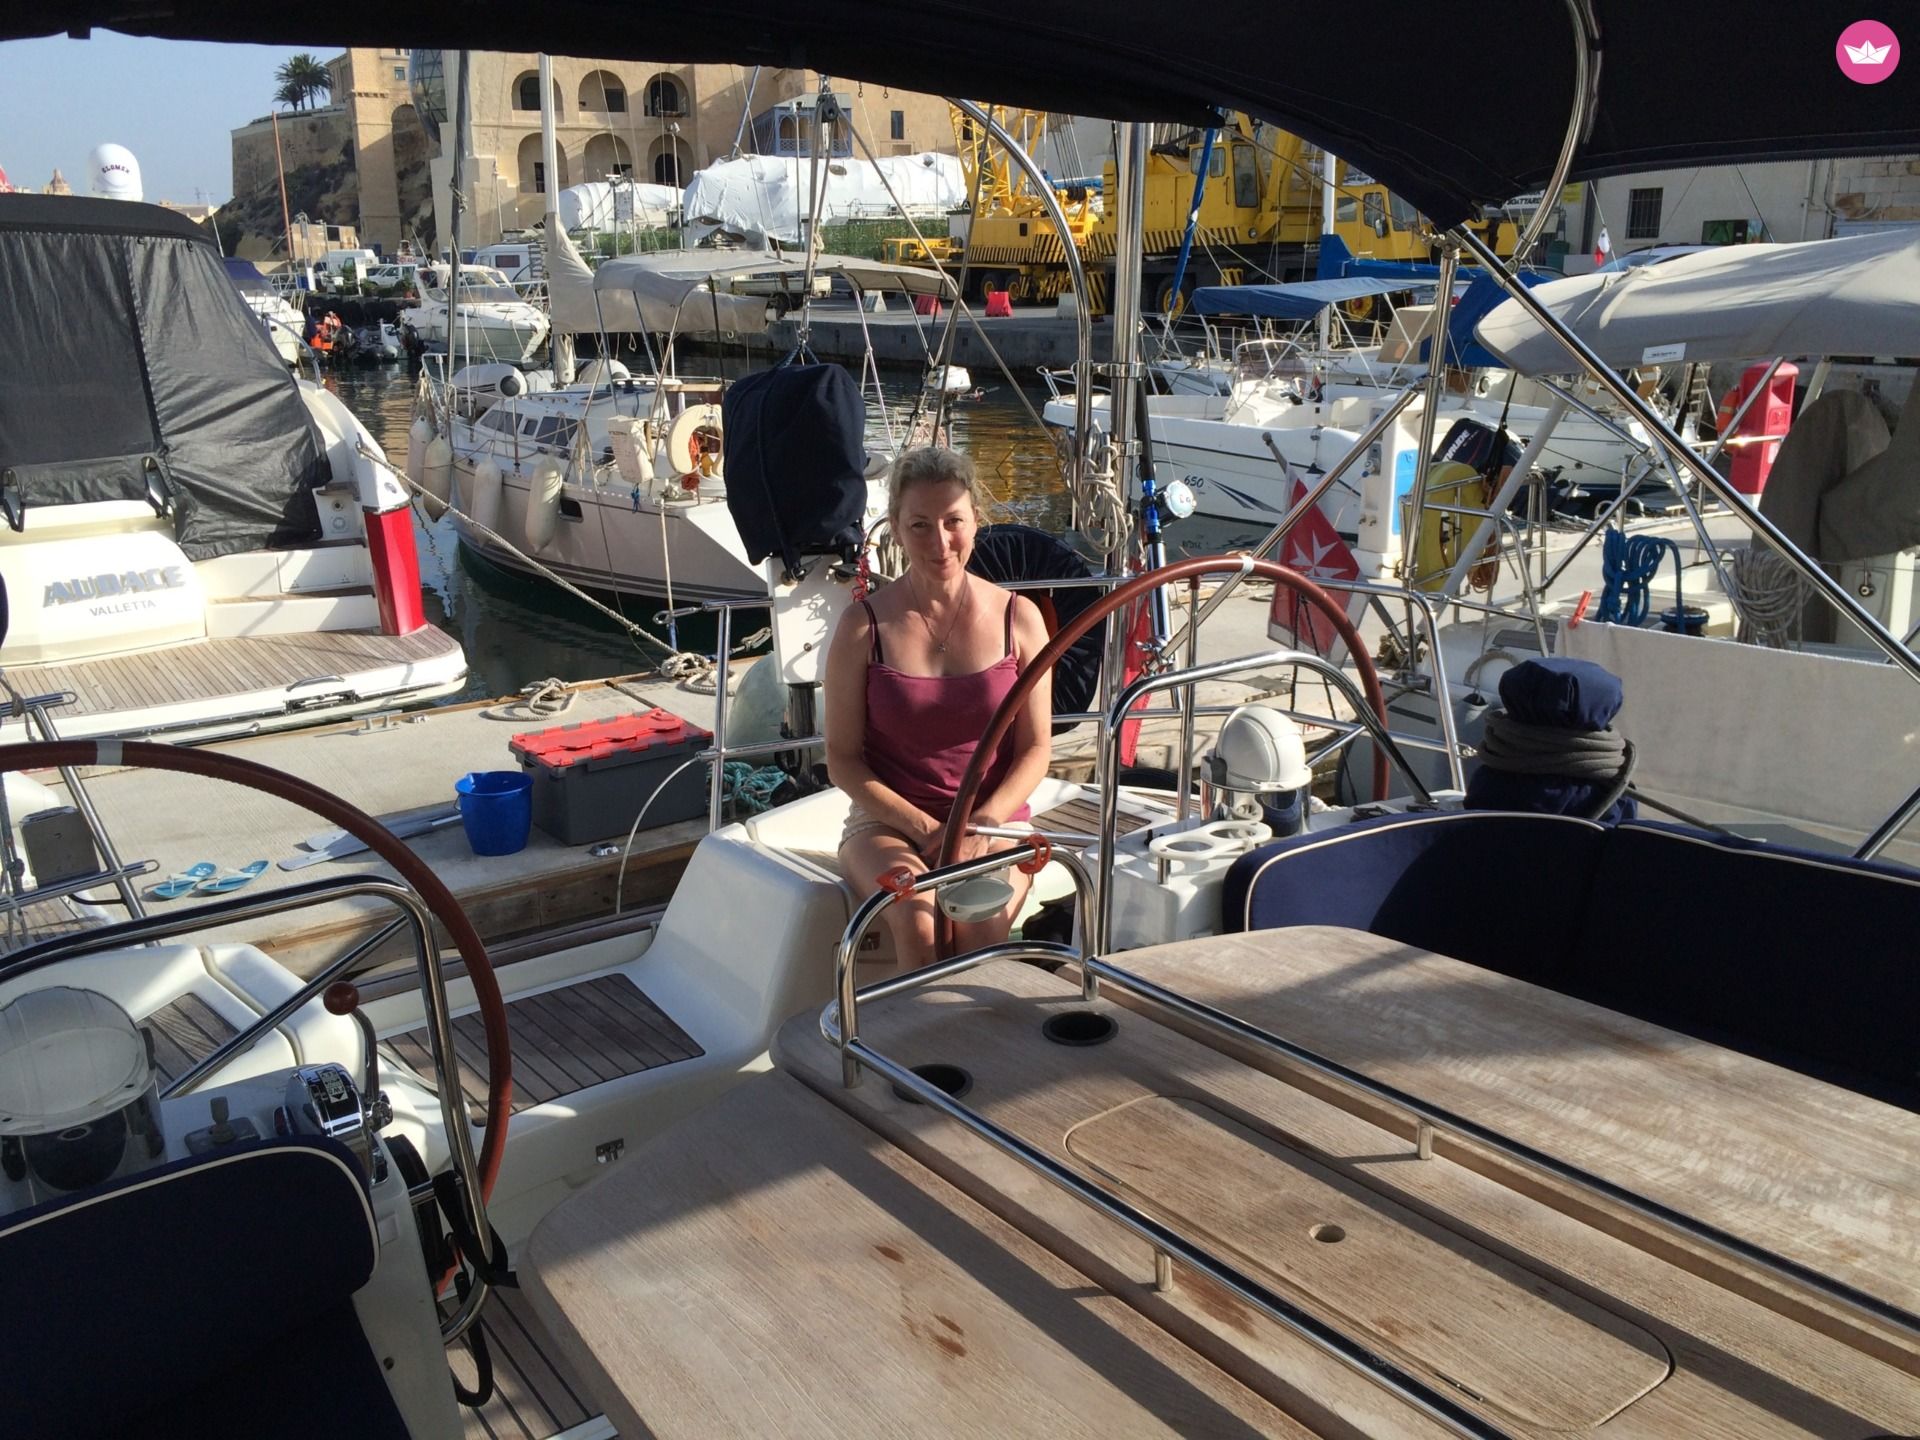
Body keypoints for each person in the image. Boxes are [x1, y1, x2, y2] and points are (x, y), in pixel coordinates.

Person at [826, 447, 1052, 972]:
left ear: (976, 521)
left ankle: (980, 1048)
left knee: (980, 921)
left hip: (994, 822)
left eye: (954, 521)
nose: (940, 541)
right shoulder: (862, 628)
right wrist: (929, 831)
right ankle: (917, 1053)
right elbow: (842, 758)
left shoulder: (1021, 620)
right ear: (897, 530)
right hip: (889, 826)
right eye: (920, 525)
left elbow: (1037, 749)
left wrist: (983, 825)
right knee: (920, 918)